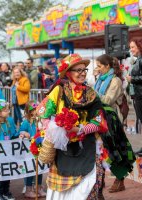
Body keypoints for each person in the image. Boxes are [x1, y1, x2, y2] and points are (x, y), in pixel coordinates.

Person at [36, 54, 135, 200]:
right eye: (78, 70)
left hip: (88, 146)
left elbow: (98, 121)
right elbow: (42, 113)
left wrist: (80, 129)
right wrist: (56, 129)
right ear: (68, 73)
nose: (82, 73)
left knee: (90, 185)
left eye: (84, 70)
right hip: (64, 150)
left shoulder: (91, 93)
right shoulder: (59, 91)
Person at [94, 54, 126, 193]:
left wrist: (92, 94)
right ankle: (100, 185)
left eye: (100, 66)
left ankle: (120, 180)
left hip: (112, 120)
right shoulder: (100, 80)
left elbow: (107, 100)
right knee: (102, 151)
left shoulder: (115, 81)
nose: (97, 68)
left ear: (107, 66)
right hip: (101, 119)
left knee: (115, 151)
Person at [18, 100, 46, 198]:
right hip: (29, 151)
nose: (37, 111)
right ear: (30, 112)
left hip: (39, 149)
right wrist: (24, 133)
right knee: (29, 169)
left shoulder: (40, 120)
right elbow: (20, 132)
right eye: (35, 109)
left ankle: (38, 187)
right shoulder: (26, 122)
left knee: (40, 169)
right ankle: (28, 188)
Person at [127, 37, 142, 152]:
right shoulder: (138, 59)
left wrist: (132, 79)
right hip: (137, 94)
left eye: (133, 47)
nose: (131, 50)